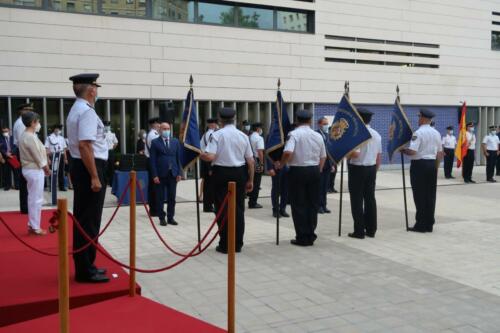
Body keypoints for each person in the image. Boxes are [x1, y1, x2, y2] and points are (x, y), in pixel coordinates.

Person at [67, 73, 109, 283]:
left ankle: (87, 265)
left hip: (81, 166)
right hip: (89, 167)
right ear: (91, 90)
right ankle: (85, 270)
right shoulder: (87, 112)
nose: (97, 92)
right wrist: (94, 176)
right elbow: (85, 145)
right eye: (96, 88)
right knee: (89, 220)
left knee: (85, 219)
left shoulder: (76, 109)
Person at [201, 107, 254, 254]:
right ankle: (237, 243)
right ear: (235, 118)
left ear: (220, 119)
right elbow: (250, 161)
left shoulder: (217, 135)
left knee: (222, 209)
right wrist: (251, 180)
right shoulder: (243, 135)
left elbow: (210, 157)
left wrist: (200, 154)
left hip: (221, 173)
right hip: (239, 173)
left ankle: (225, 244)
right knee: (238, 209)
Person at [277, 109, 326, 246]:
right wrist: (319, 170)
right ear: (310, 120)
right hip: (314, 170)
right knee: (312, 204)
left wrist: (281, 164)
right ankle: (310, 234)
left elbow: (287, 152)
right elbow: (323, 156)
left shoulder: (294, 134)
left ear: (297, 120)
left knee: (299, 204)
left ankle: (302, 236)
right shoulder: (318, 135)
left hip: (298, 171)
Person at [402, 109, 443, 233]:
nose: (418, 119)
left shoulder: (418, 133)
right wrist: (435, 167)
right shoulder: (436, 133)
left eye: (419, 117)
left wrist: (403, 150)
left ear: (424, 119)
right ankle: (429, 223)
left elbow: (413, 151)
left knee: (419, 195)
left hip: (419, 165)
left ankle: (420, 224)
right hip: (431, 164)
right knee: (430, 195)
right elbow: (440, 153)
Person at [346, 108, 382, 239]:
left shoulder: (357, 134)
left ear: (359, 119)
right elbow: (379, 156)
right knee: (370, 199)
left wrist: (345, 154)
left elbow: (355, 154)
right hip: (371, 168)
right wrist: (375, 171)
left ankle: (359, 231)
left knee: (356, 200)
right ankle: (371, 229)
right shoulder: (377, 134)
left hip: (358, 169)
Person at [19, 111, 50, 235]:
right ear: (32, 123)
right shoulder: (29, 136)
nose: (39, 124)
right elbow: (36, 155)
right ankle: (35, 226)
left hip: (31, 169)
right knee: (36, 199)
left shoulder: (29, 135)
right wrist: (45, 167)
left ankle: (33, 224)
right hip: (34, 169)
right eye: (38, 121)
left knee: (34, 198)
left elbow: (39, 151)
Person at [149, 122, 182, 226]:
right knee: (160, 197)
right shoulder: (155, 142)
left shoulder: (175, 141)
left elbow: (178, 158)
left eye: (168, 128)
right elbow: (152, 160)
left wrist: (179, 173)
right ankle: (161, 218)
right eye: (164, 129)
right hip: (160, 174)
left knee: (172, 197)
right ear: (160, 130)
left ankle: (170, 217)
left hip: (173, 173)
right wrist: (154, 175)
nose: (166, 130)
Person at [13, 103, 33, 214]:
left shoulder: (23, 122)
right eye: (27, 109)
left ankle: (25, 206)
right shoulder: (21, 123)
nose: (30, 111)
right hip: (23, 152)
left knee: (25, 180)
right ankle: (25, 207)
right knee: (25, 179)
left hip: (23, 151)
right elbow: (24, 141)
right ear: (21, 111)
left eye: (31, 110)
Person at [200, 118, 218, 213]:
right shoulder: (211, 134)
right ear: (213, 125)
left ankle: (207, 205)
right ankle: (208, 206)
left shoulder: (205, 134)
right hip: (209, 161)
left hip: (205, 160)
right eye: (215, 124)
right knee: (210, 185)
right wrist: (210, 167)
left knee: (208, 184)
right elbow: (210, 151)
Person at [316, 117, 332, 214]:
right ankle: (318, 206)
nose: (326, 125)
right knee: (319, 187)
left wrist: (332, 164)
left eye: (327, 123)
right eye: (324, 123)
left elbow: (329, 151)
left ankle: (324, 205)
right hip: (319, 164)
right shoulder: (316, 134)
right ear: (319, 124)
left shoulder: (327, 135)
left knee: (325, 187)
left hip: (327, 165)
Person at [45, 124, 68, 191]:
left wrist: (65, 158)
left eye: (59, 129)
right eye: (57, 128)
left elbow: (64, 149)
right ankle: (52, 187)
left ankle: (62, 187)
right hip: (53, 155)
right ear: (54, 129)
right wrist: (48, 158)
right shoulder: (49, 137)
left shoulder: (62, 138)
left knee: (61, 172)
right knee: (52, 171)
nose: (58, 130)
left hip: (61, 155)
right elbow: (46, 148)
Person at [145, 117, 160, 216]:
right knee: (154, 186)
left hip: (151, 160)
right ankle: (154, 209)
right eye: (158, 123)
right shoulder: (153, 135)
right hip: (153, 161)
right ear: (154, 124)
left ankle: (154, 208)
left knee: (153, 186)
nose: (159, 125)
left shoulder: (151, 134)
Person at [248, 122, 264, 209]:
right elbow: (260, 152)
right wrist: (261, 164)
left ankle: (249, 198)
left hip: (249, 160)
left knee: (250, 179)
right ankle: (253, 202)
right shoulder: (259, 138)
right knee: (256, 182)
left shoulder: (248, 137)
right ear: (258, 129)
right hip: (256, 161)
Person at [103, 121, 118, 186]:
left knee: (111, 167)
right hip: (104, 152)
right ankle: (105, 182)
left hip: (110, 151)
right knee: (104, 167)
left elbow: (116, 142)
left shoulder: (112, 134)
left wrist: (112, 148)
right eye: (106, 125)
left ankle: (111, 182)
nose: (107, 126)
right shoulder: (102, 134)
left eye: (108, 125)